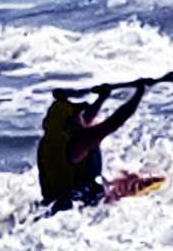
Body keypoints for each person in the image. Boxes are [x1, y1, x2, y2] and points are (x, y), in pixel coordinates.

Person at [37, 80, 147, 212]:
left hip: (53, 204)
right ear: (71, 122)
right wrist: (140, 91)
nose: (82, 115)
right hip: (78, 208)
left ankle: (112, 188)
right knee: (103, 188)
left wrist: (103, 97)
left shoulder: (51, 139)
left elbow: (85, 119)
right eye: (78, 114)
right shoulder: (80, 142)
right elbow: (116, 121)